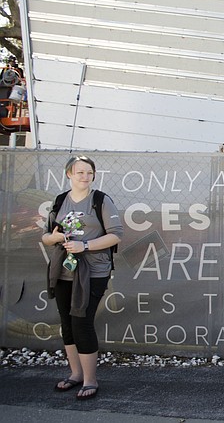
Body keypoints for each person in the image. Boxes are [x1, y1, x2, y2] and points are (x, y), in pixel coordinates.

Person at [42, 156, 123, 400]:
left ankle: (90, 380)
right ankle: (75, 374)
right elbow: (47, 236)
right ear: (69, 174)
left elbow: (116, 235)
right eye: (80, 172)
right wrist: (56, 239)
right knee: (67, 322)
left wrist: (85, 244)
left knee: (81, 321)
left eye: (89, 172)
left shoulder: (100, 200)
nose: (85, 177)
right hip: (64, 270)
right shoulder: (60, 201)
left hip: (93, 271)